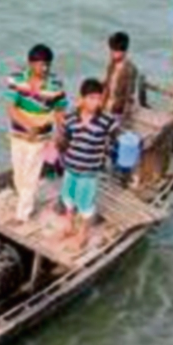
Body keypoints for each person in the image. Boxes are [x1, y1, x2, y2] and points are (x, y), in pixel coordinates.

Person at [4, 44, 69, 223]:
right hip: (18, 135)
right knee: (18, 174)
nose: (45, 68)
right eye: (41, 64)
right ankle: (24, 201)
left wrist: (60, 133)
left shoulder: (55, 84)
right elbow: (11, 108)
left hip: (41, 138)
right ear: (31, 64)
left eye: (48, 64)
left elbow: (60, 111)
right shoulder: (16, 80)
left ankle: (22, 214)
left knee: (31, 175)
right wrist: (27, 125)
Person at [58, 78, 119, 251]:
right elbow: (66, 140)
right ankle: (69, 226)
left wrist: (108, 153)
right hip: (70, 167)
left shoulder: (107, 121)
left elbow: (116, 138)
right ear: (82, 98)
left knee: (85, 204)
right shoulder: (70, 118)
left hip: (89, 171)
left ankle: (83, 235)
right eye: (91, 98)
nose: (96, 102)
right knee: (68, 198)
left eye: (99, 99)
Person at [102, 31, 138, 118]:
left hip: (118, 109)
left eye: (115, 50)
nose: (112, 53)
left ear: (124, 51)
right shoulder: (111, 64)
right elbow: (106, 83)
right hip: (108, 103)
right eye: (111, 49)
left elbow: (129, 94)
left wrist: (125, 114)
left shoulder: (130, 70)